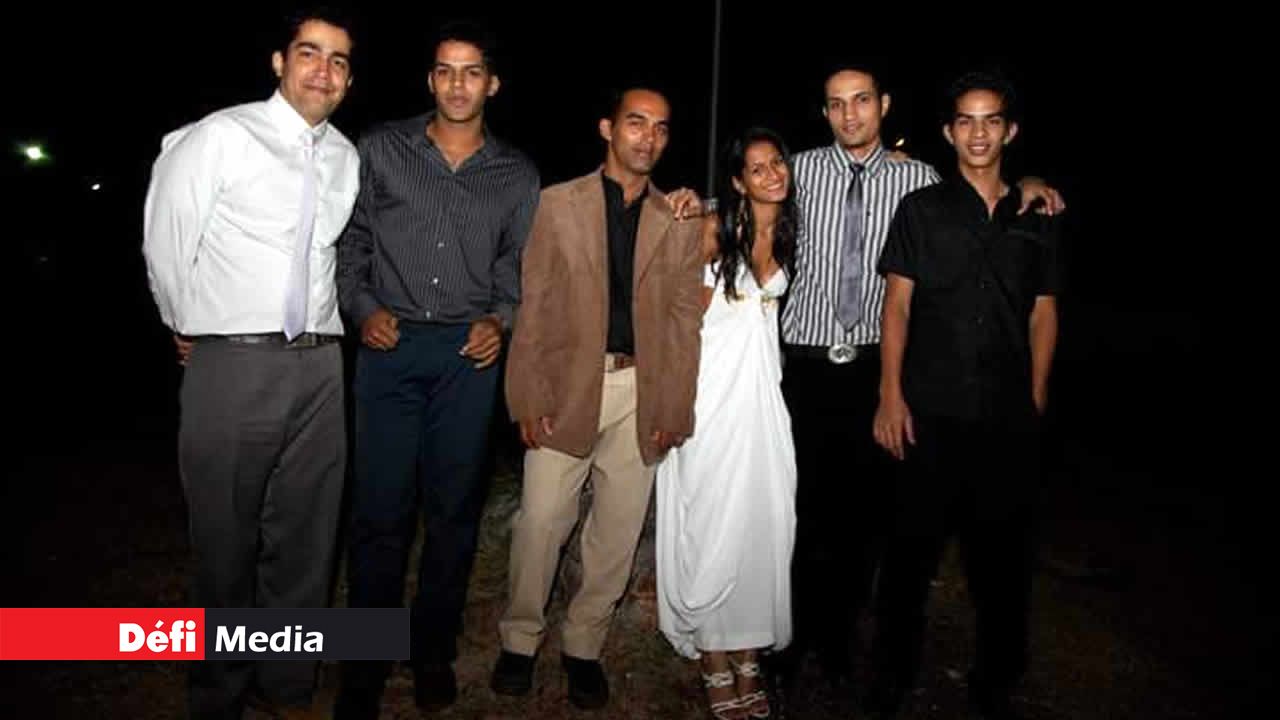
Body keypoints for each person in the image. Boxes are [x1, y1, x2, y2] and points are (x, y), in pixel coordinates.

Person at [777, 62, 1065, 694]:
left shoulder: (923, 180)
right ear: (824, 112)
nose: (849, 114)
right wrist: (687, 203)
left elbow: (1035, 292)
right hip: (811, 368)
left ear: (883, 105)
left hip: (887, 370)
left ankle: (845, 648)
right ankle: (791, 644)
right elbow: (739, 195)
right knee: (802, 514)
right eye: (836, 103)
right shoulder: (797, 171)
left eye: (861, 100)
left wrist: (1032, 183)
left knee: (872, 524)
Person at [141, 6, 357, 718]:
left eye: (339, 60)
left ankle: (287, 684)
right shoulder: (220, 136)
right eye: (310, 53)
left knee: (306, 540)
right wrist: (186, 323)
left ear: (348, 80)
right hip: (234, 363)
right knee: (225, 541)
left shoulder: (345, 157)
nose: (323, 70)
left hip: (321, 367)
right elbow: (166, 241)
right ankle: (220, 693)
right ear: (279, 62)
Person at [332, 19, 540, 718]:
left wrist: (499, 320)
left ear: (492, 84)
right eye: (445, 70)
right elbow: (350, 243)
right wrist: (363, 309)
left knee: (453, 513)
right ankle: (364, 663)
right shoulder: (381, 148)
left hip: (465, 360)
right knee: (379, 512)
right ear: (430, 79)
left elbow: (516, 265)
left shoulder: (517, 174)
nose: (457, 84)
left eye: (471, 71)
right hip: (388, 351)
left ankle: (431, 653)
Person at [490, 86, 704, 711]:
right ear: (607, 128)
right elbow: (532, 305)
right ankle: (519, 639)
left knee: (616, 529)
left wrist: (674, 408)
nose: (648, 137)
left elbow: (684, 322)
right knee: (541, 521)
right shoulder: (557, 204)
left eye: (660, 128)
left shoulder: (679, 217)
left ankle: (583, 646)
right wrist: (526, 395)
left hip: (642, 390)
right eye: (636, 123)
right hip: (567, 386)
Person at [866, 69, 1062, 720]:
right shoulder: (920, 210)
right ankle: (891, 675)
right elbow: (897, 306)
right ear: (949, 133)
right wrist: (889, 395)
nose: (979, 133)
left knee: (1002, 562)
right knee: (907, 556)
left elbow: (1044, 313)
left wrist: (1035, 397)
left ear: (1010, 130)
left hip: (1005, 417)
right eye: (966, 121)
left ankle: (996, 679)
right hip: (928, 412)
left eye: (991, 120)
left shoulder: (1037, 216)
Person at [656, 127, 799, 720]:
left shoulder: (789, 232)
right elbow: (671, 312)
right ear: (738, 181)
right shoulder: (714, 230)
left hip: (762, 403)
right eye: (756, 168)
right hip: (710, 402)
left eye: (777, 163)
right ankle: (714, 657)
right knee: (712, 523)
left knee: (760, 524)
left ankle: (746, 651)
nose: (771, 174)